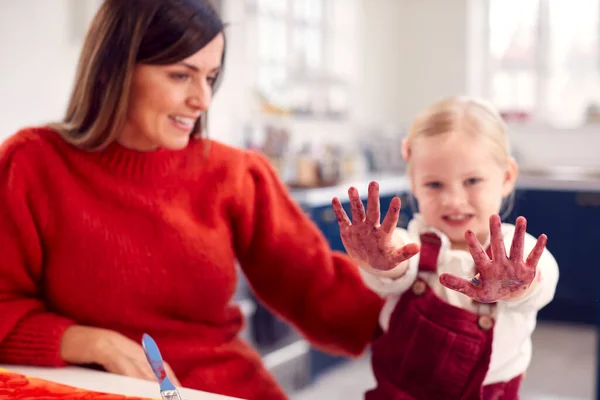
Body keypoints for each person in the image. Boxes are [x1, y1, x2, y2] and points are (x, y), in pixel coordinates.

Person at [0, 1, 418, 399]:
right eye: (181, 75)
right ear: (115, 70)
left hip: (224, 389)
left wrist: (433, 308)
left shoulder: (235, 174)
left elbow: (319, 289)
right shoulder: (32, 165)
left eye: (210, 77)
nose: (202, 100)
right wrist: (92, 343)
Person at [332, 96, 560, 399]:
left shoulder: (513, 251)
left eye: (472, 181)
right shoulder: (413, 239)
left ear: (506, 177)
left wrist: (519, 284)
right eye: (434, 185)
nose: (453, 200)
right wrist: (383, 260)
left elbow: (544, 273)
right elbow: (400, 261)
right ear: (413, 182)